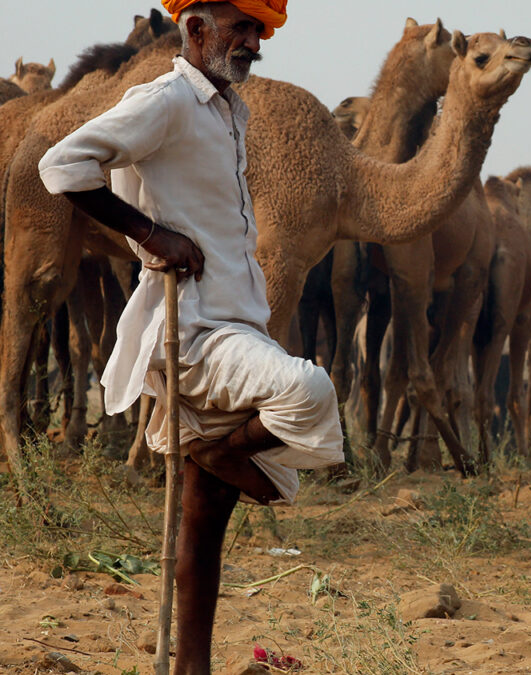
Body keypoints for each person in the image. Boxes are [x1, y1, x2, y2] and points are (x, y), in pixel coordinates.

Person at [38, 2, 341, 672]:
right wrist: (149, 235)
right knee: (309, 389)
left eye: (259, 31)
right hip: (196, 330)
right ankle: (215, 446)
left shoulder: (228, 109)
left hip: (238, 322)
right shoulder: (169, 99)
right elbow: (62, 165)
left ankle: (188, 665)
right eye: (242, 28)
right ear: (197, 30)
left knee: (206, 521)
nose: (255, 42)